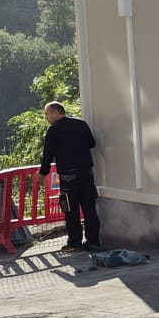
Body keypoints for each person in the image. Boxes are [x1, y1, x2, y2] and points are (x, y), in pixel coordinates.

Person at [38, 101, 100, 253]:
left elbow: (48, 154)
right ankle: (93, 242)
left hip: (68, 177)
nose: (46, 117)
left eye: (47, 113)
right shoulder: (81, 124)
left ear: (56, 113)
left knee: (70, 211)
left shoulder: (53, 131)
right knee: (89, 209)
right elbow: (92, 143)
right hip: (86, 173)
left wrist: (43, 173)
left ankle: (75, 243)